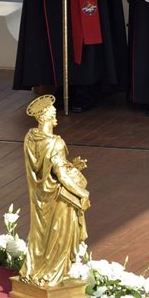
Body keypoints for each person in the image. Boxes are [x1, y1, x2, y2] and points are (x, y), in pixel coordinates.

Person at [20, 94, 89, 287]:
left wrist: (70, 165)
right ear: (46, 117)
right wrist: (83, 193)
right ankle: (52, 273)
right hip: (59, 199)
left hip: (40, 196)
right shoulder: (55, 143)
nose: (55, 115)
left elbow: (44, 169)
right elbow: (62, 177)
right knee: (59, 237)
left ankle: (36, 270)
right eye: (53, 113)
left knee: (42, 236)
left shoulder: (30, 138)